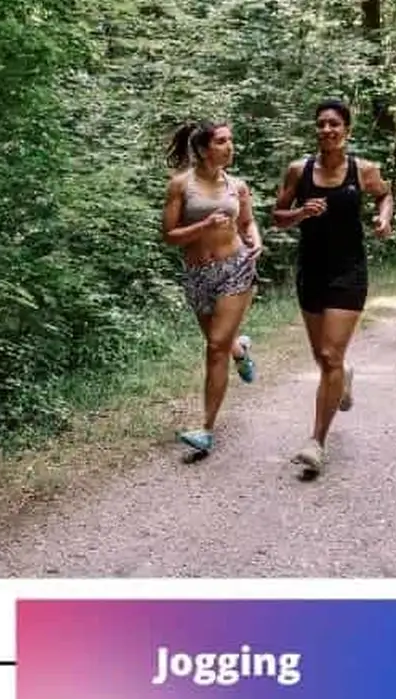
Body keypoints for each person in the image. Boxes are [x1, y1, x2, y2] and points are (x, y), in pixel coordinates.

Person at [272, 99, 394, 473]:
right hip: (311, 271)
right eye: (321, 124)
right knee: (323, 358)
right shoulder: (299, 170)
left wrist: (383, 218)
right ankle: (343, 380)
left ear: (347, 130)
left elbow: (385, 195)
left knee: (329, 356)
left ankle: (316, 443)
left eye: (334, 124)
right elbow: (278, 217)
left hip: (349, 271)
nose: (326, 130)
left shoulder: (363, 169)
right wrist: (300, 212)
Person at [161, 120, 263, 455]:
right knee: (218, 342)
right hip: (197, 275)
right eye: (221, 141)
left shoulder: (238, 186)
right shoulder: (181, 185)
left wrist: (256, 242)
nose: (229, 146)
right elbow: (169, 236)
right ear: (204, 149)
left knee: (214, 346)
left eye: (230, 140)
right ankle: (240, 350)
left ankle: (206, 429)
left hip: (236, 268)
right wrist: (204, 224)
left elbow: (247, 222)